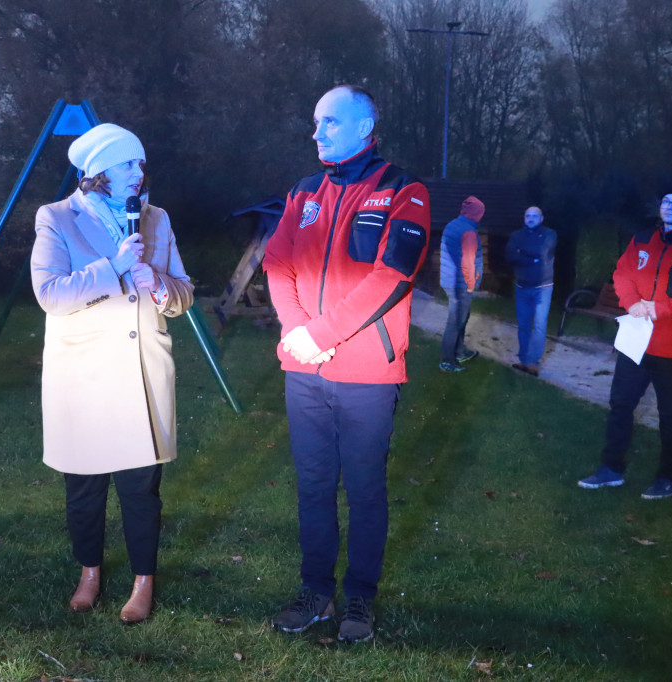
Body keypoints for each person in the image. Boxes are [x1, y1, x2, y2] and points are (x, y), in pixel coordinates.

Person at [264, 85, 431, 643]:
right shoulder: (305, 191)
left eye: (329, 122)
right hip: (304, 370)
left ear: (364, 127)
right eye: (314, 122)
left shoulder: (403, 191)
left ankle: (359, 598)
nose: (317, 133)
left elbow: (393, 275)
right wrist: (298, 333)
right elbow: (277, 261)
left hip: (366, 373)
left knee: (363, 488)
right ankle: (316, 591)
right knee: (312, 486)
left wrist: (323, 333)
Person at [30, 123, 193, 624]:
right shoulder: (57, 217)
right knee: (84, 488)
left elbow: (183, 294)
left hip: (142, 375)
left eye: (140, 164)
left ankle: (144, 581)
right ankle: (90, 574)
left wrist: (160, 286)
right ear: (98, 170)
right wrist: (115, 268)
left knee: (141, 488)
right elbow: (50, 294)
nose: (139, 174)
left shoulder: (156, 219)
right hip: (83, 377)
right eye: (128, 164)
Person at [578, 187, 672, 500]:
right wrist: (632, 302)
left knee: (670, 413)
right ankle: (610, 469)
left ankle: (668, 478)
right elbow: (622, 273)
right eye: (665, 201)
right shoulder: (643, 238)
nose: (670, 206)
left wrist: (661, 309)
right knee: (620, 405)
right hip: (635, 339)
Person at [505, 206, 557, 377]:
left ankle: (533, 362)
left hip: (542, 288)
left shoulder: (550, 234)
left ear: (541, 218)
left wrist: (522, 251)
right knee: (524, 325)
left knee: (540, 324)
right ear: (524, 218)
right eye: (528, 215)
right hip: (522, 287)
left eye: (535, 216)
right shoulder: (516, 235)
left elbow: (542, 252)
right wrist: (531, 259)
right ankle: (523, 359)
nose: (531, 218)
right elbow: (510, 255)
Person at [439, 196, 485, 373]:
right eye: (481, 213)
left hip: (451, 281)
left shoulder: (452, 225)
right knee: (455, 321)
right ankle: (447, 361)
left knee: (461, 318)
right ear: (476, 214)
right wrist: (471, 284)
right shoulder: (469, 233)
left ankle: (459, 352)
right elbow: (467, 262)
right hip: (461, 285)